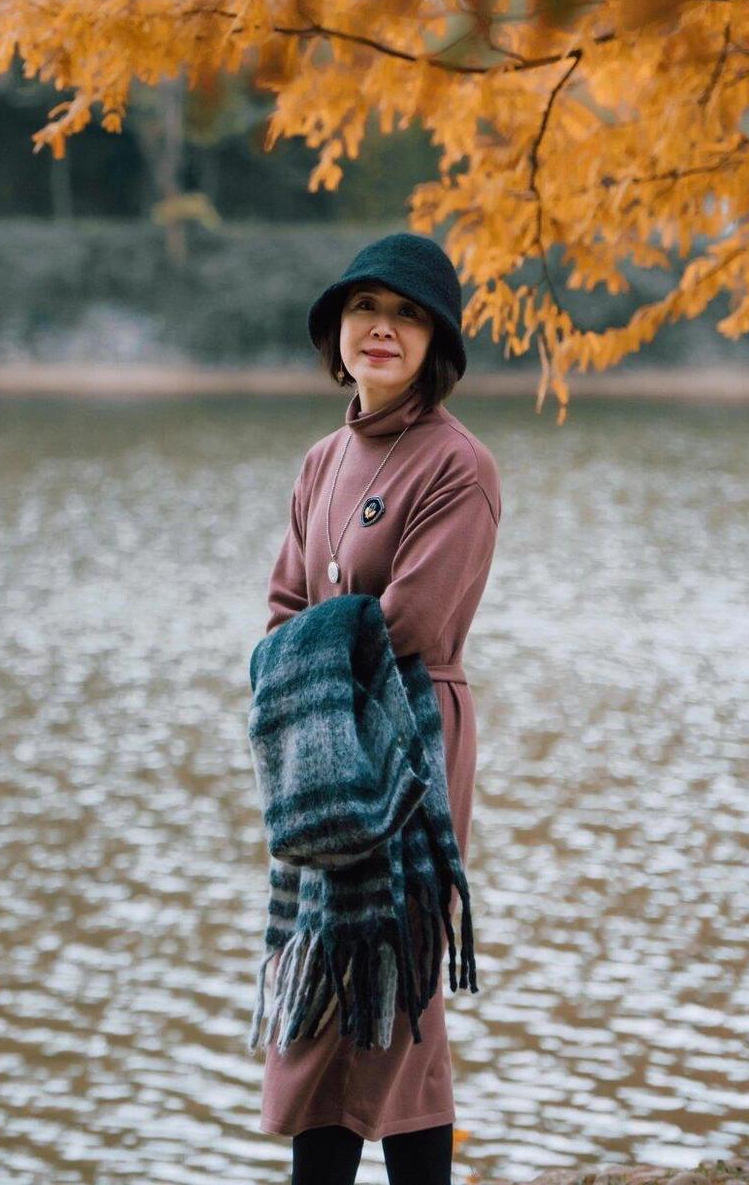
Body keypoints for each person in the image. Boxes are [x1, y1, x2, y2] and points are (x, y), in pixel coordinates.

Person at [256, 232, 503, 1185]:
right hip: (320, 744)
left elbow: (409, 620)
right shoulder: (322, 459)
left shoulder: (458, 464)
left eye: (406, 314)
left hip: (407, 740)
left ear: (436, 338)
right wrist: (304, 687)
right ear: (339, 330)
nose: (383, 329)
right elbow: (283, 605)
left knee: (387, 979)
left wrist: (309, 655)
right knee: (335, 982)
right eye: (367, 309)